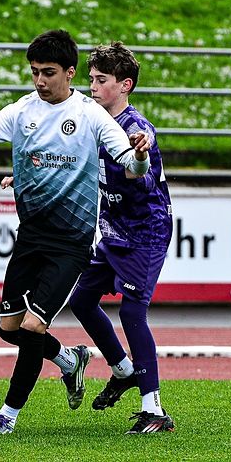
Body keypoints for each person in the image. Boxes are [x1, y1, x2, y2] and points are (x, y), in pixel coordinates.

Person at [0, 29, 151, 435]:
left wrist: (141, 155)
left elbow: (131, 164)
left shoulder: (90, 116)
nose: (40, 80)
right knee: (8, 330)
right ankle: (69, 360)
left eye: (48, 72)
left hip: (71, 242)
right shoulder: (23, 110)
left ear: (70, 73)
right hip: (31, 237)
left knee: (32, 327)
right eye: (35, 72)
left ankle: (6, 418)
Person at [68, 42, 175, 434]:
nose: (92, 86)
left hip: (146, 233)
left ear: (125, 85)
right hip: (113, 231)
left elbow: (138, 174)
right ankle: (124, 370)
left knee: (131, 313)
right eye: (91, 79)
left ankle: (154, 410)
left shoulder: (136, 130)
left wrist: (139, 156)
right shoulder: (95, 122)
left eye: (101, 80)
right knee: (81, 301)